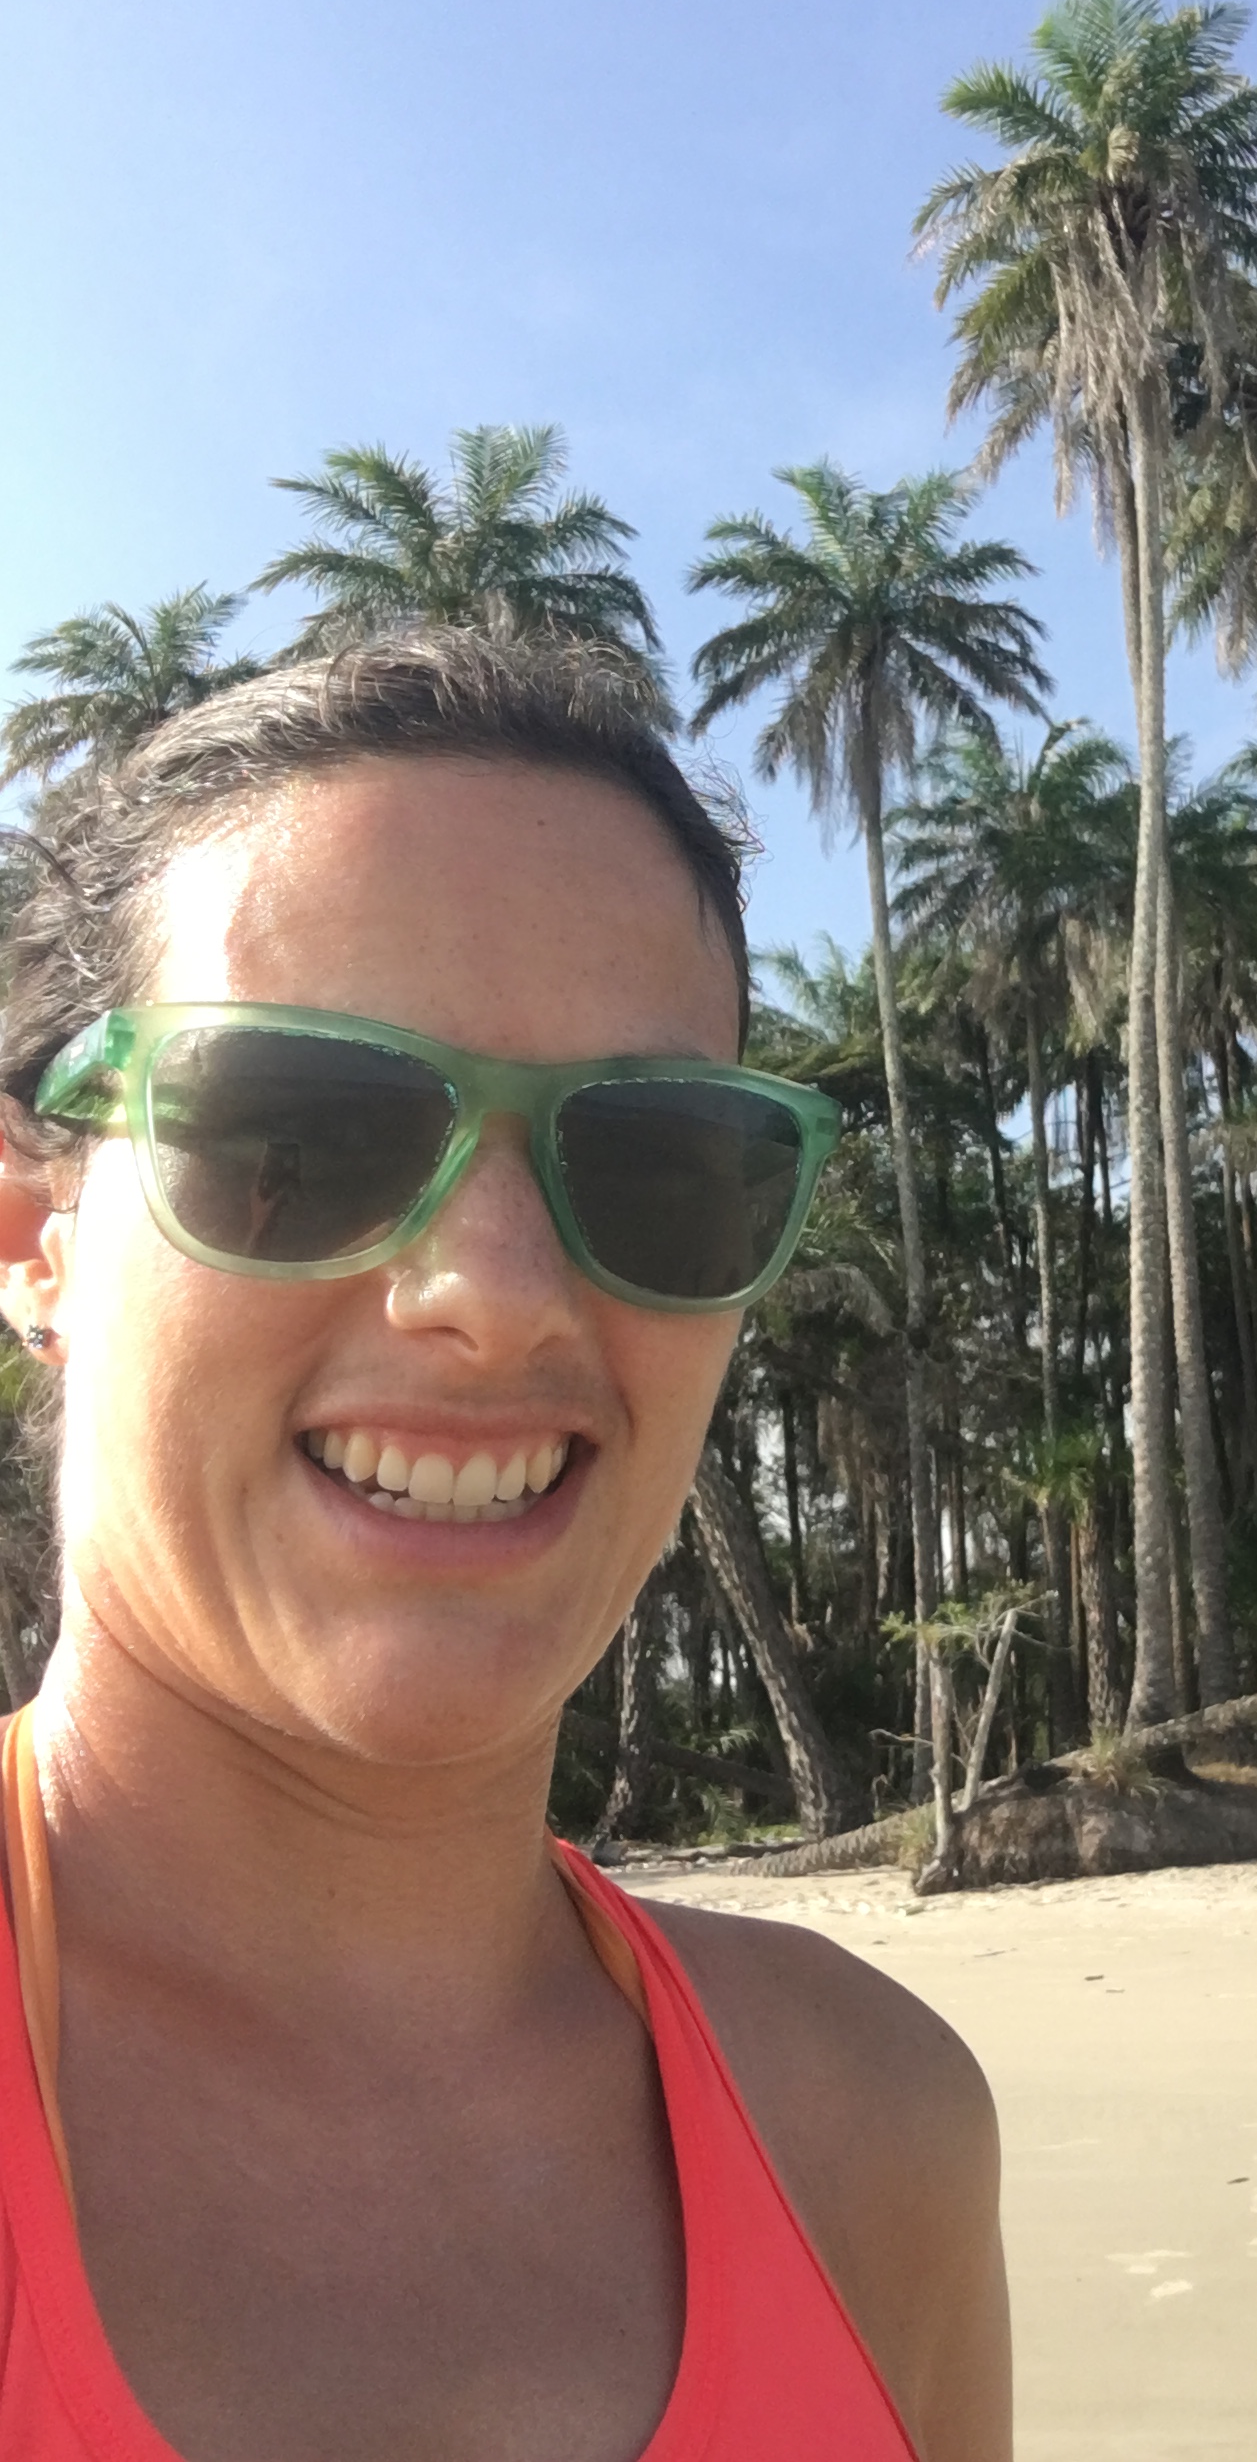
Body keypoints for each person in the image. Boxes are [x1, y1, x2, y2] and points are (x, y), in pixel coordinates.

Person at [0, 634, 1011, 2462]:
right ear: (33, 1241)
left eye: (655, 1165)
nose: (492, 1293)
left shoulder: (867, 2138)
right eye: (300, 1132)